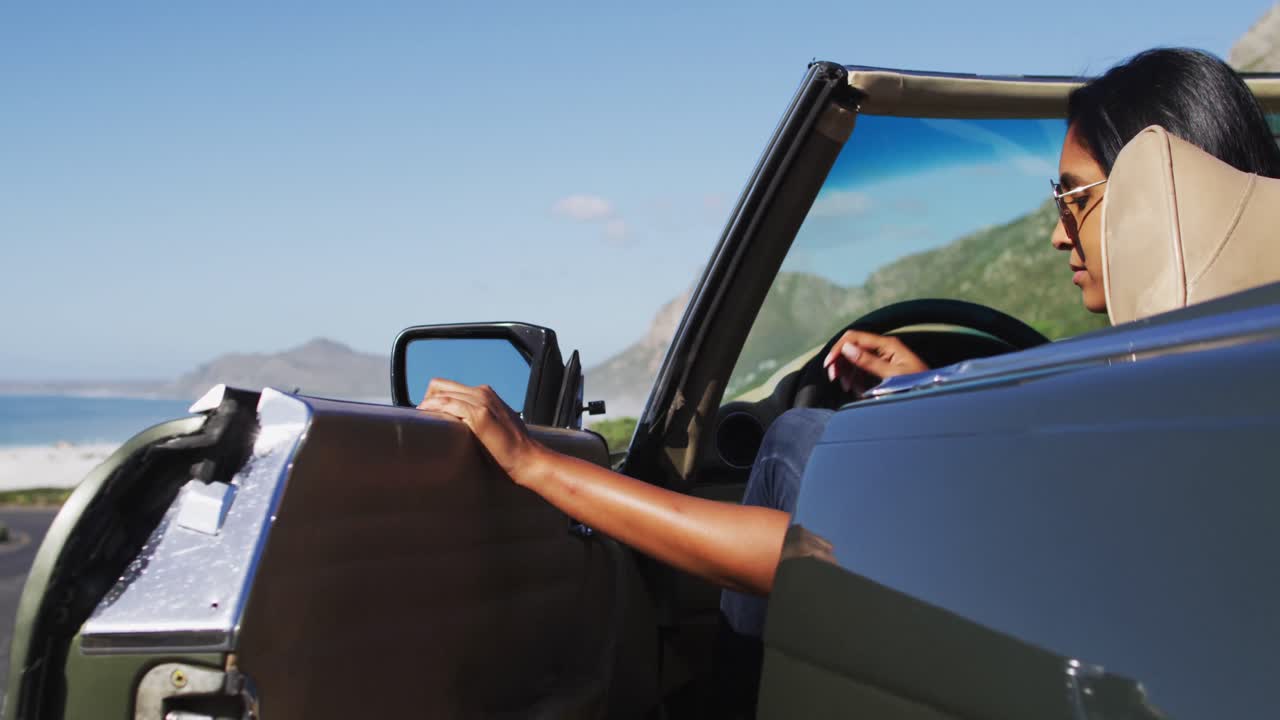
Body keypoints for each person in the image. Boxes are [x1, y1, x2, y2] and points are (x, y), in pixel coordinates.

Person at [417, 48, 1280, 636]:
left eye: (1075, 200)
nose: (1060, 235)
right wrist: (919, 388)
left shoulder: (1148, 419)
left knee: (798, 437)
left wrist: (540, 466)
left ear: (1154, 196)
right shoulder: (1221, 379)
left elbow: (811, 559)